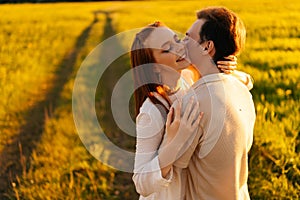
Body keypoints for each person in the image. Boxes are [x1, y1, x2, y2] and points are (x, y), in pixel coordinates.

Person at [130, 21, 253, 199]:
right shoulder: (152, 111)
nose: (179, 48)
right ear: (154, 66)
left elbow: (241, 82)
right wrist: (174, 143)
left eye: (176, 40)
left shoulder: (189, 77)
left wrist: (230, 71)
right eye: (166, 49)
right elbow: (141, 183)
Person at [178, 7, 256, 199]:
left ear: (207, 47)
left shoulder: (193, 101)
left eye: (188, 38)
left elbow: (175, 165)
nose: (182, 43)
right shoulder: (243, 92)